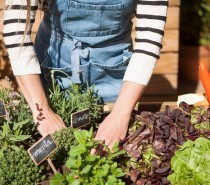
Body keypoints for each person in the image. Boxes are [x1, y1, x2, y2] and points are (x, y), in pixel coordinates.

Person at [3, 0, 168, 150]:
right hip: (52, 76)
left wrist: (120, 114)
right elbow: (16, 35)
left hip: (113, 79)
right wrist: (43, 111)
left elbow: (149, 42)